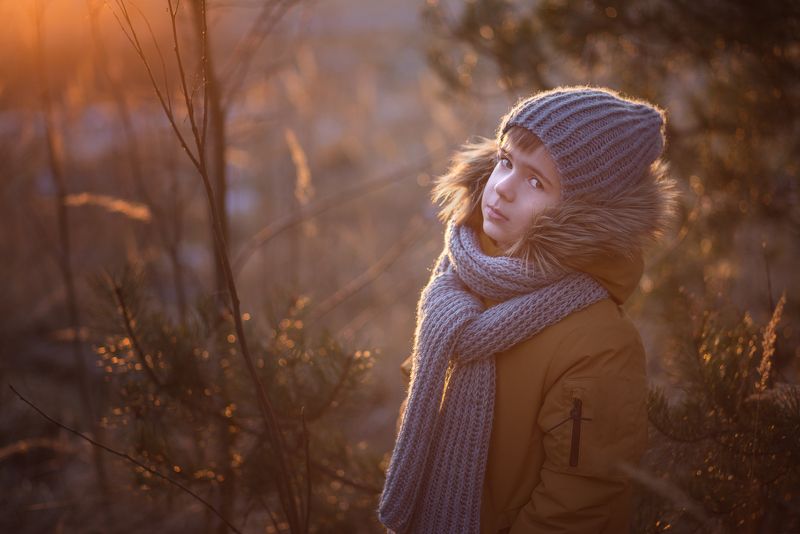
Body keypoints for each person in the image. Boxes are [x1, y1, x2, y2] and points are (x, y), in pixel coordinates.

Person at [378, 85, 679, 533]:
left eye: (536, 181)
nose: (502, 188)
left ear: (582, 212)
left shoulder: (599, 344)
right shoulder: (461, 280)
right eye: (505, 161)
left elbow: (576, 508)